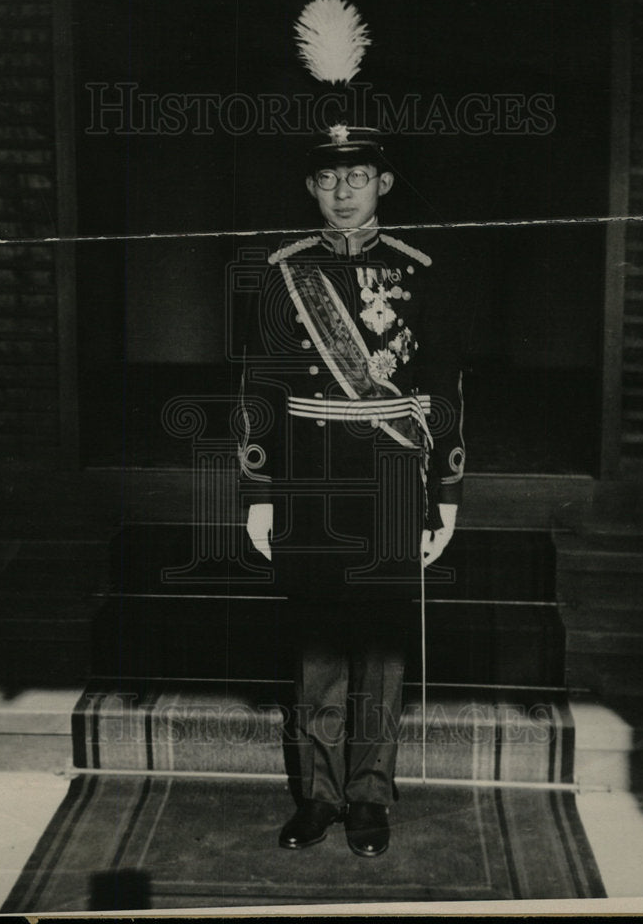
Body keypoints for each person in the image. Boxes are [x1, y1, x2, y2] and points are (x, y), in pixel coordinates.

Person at [238, 125, 464, 857]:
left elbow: (443, 390)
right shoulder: (280, 271)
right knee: (317, 651)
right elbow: (260, 389)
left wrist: (445, 494)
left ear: (384, 184)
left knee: (381, 650)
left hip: (393, 478)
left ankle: (369, 798)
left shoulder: (420, 271)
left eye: (358, 176)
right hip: (308, 479)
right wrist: (259, 491)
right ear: (310, 186)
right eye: (329, 179)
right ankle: (318, 798)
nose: (343, 192)